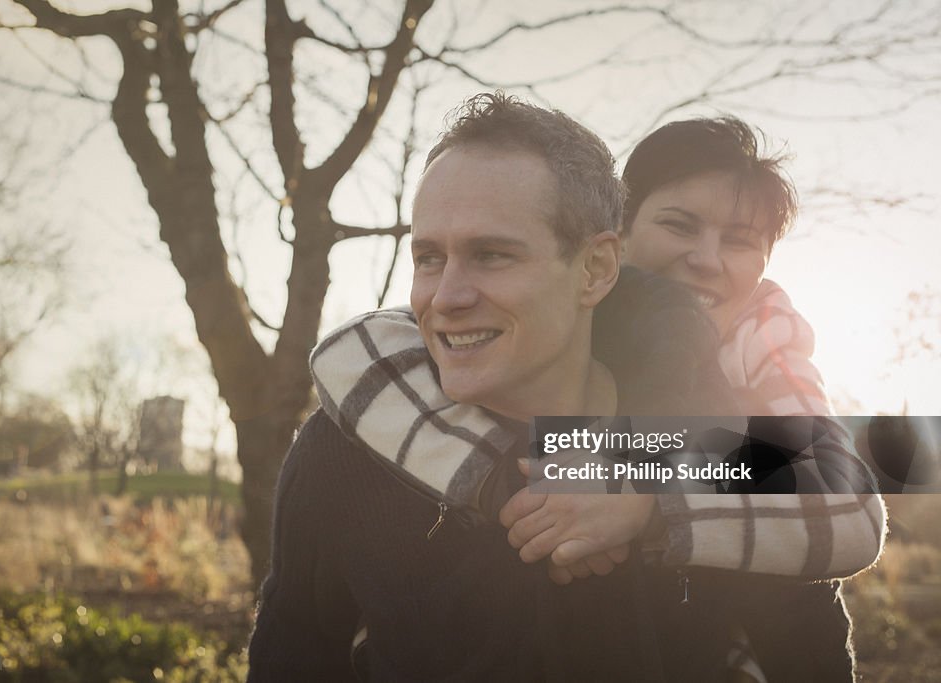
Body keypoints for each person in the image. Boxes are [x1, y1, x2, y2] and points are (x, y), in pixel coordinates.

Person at [307, 110, 885, 680]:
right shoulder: (531, 326)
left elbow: (848, 499)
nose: (706, 259)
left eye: (738, 241)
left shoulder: (763, 342)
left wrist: (646, 494)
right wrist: (524, 483)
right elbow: (354, 352)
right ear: (616, 236)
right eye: (679, 225)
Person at [249, 93, 761, 681]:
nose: (447, 298)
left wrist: (644, 485)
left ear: (595, 269)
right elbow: (291, 657)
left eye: (492, 255)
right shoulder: (343, 451)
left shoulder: (709, 424)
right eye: (428, 258)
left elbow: (856, 490)